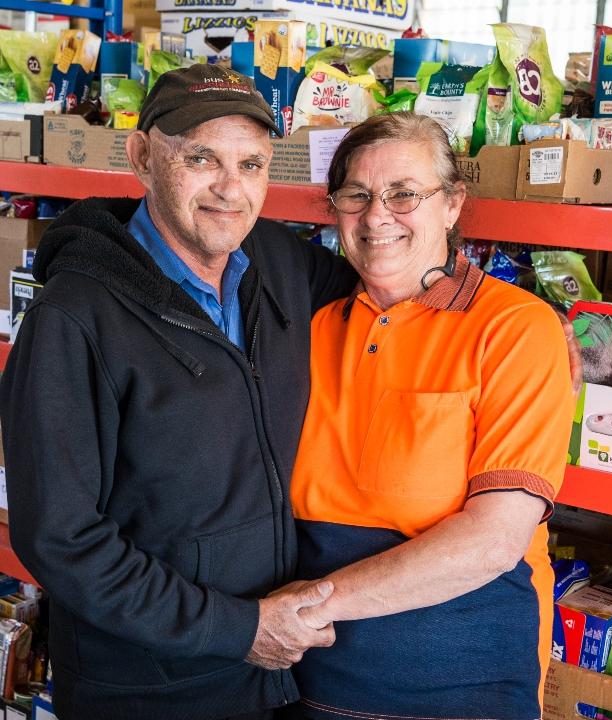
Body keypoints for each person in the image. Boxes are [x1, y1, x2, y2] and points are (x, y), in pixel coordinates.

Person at [0, 65, 357, 719]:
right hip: (148, 691)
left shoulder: (276, 262)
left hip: (274, 682)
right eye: (202, 159)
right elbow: (60, 538)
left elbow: (382, 283)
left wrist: (505, 319)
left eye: (251, 165)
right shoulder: (74, 319)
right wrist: (239, 630)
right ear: (142, 157)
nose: (231, 189)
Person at [283, 113, 575, 720]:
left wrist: (312, 604)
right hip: (305, 674)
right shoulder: (312, 327)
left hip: (456, 680)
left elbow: (493, 542)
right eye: (356, 195)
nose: (377, 214)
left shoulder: (515, 328)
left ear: (451, 205)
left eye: (404, 194)